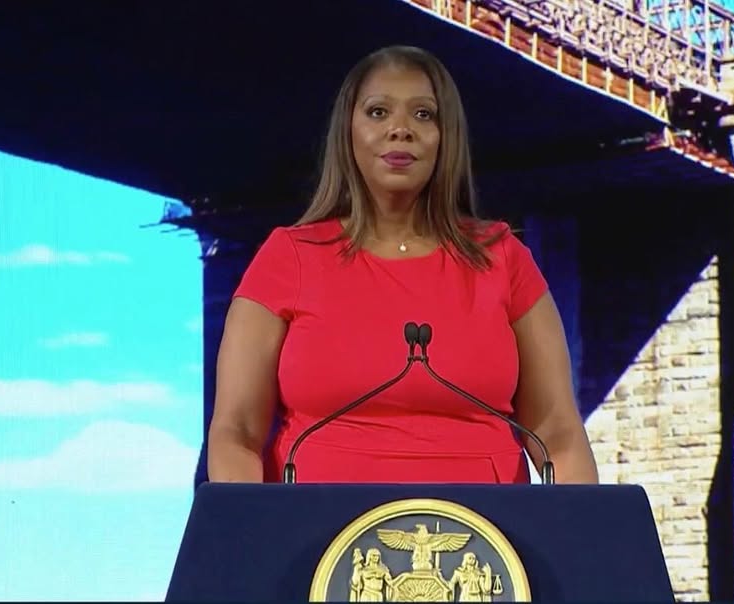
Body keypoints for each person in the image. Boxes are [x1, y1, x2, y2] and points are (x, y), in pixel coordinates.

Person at [206, 45, 598, 485]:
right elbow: (236, 432)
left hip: (490, 542)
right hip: (319, 544)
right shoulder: (287, 257)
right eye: (377, 112)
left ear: (446, 136)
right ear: (347, 132)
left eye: (424, 115)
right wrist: (253, 544)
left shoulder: (503, 257)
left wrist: (578, 546)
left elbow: (558, 433)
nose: (400, 129)